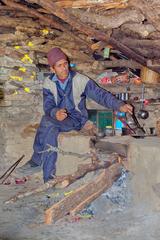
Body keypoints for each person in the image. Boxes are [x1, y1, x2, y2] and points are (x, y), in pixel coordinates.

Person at [24, 47, 133, 183]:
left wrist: (118, 104)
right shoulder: (49, 83)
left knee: (46, 121)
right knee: (50, 128)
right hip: (58, 119)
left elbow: (100, 95)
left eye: (65, 64)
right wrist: (55, 112)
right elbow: (48, 105)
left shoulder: (80, 80)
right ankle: (48, 178)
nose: (64, 68)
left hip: (77, 119)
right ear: (52, 69)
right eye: (59, 66)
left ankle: (36, 160)